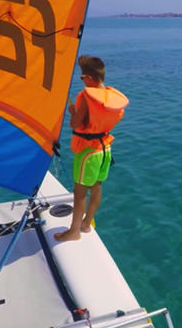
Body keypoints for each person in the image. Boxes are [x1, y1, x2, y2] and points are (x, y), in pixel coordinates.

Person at [54, 55, 129, 242]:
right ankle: (86, 224)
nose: (82, 81)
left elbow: (75, 124)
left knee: (79, 192)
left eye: (81, 77)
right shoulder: (111, 98)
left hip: (87, 152)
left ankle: (74, 231)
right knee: (96, 186)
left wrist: (73, 113)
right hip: (104, 149)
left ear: (88, 78)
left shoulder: (86, 97)